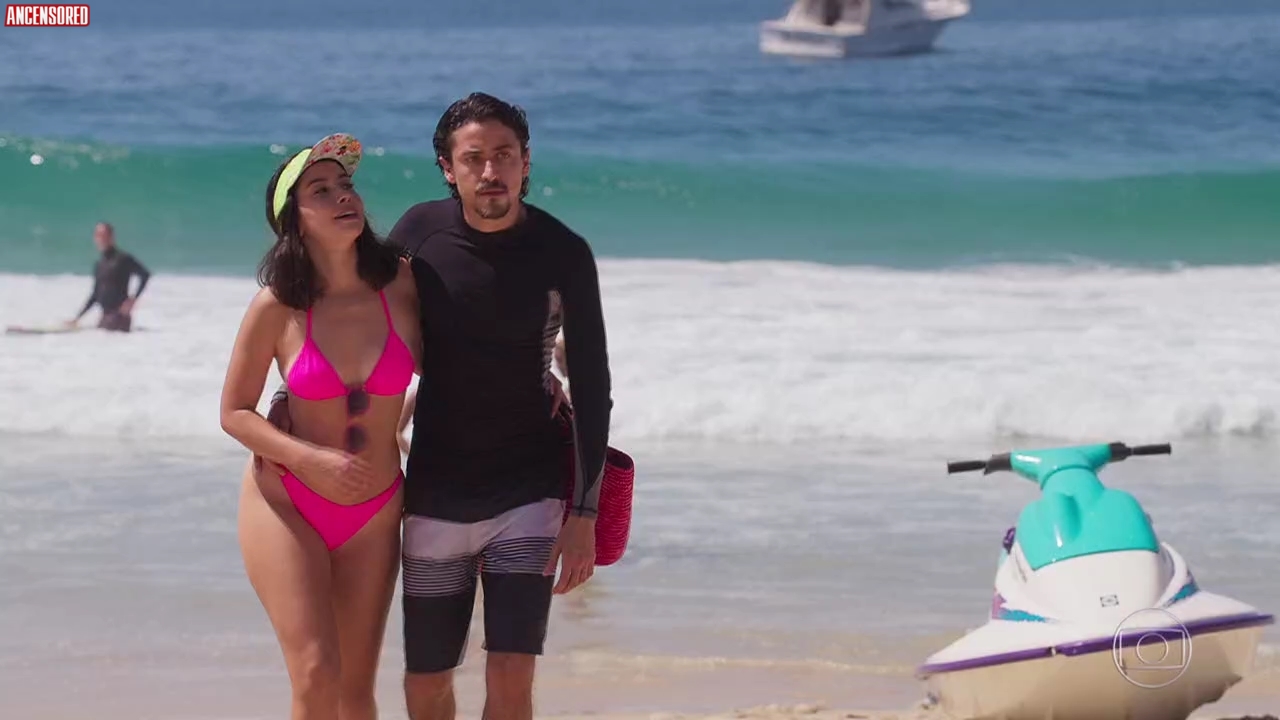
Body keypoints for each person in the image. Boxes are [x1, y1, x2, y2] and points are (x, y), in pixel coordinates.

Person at [386, 92, 613, 720]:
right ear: (447, 167)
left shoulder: (563, 251)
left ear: (526, 162)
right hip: (437, 488)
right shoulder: (417, 234)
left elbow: (593, 383)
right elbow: (356, 323)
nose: (491, 172)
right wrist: (292, 397)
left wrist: (584, 513)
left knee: (513, 673)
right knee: (426, 679)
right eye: (474, 157)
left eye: (505, 155)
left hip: (530, 492)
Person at [218, 133, 422, 720]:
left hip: (376, 510)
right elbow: (234, 412)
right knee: (314, 674)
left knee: (356, 691)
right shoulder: (277, 305)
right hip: (287, 501)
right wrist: (308, 457)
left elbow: (459, 364)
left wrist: (543, 373)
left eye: (346, 185)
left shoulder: (402, 283)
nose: (343, 196)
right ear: (294, 219)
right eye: (321, 190)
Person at [67, 222, 151, 332]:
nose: (100, 238)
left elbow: (145, 275)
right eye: (98, 235)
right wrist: (78, 318)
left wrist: (133, 299)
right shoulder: (99, 264)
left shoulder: (123, 259)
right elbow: (95, 294)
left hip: (119, 316)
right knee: (95, 335)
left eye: (104, 235)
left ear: (112, 237)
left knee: (99, 336)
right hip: (105, 316)